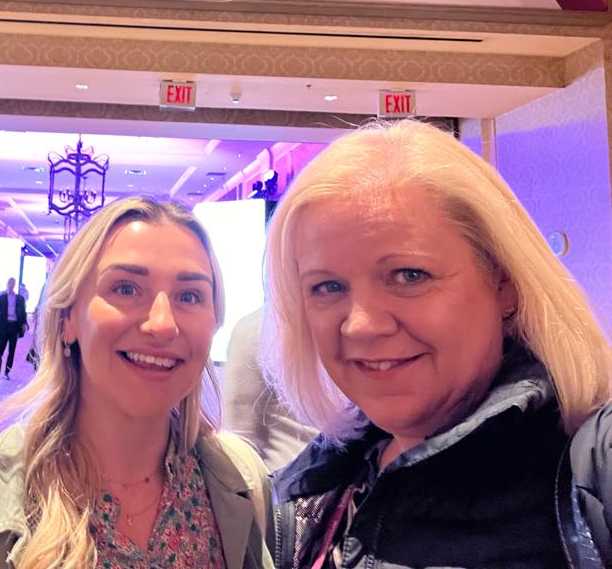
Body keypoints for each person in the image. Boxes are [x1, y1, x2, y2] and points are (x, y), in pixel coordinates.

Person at [262, 120, 612, 568]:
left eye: (410, 275)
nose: (362, 326)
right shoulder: (314, 491)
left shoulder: (589, 472)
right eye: (328, 286)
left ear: (505, 284)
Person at [0, 196, 272, 569]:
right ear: (68, 319)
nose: (162, 323)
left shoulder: (240, 483)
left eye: (189, 295)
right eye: (126, 288)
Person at [222, 308, 315, 471]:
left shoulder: (346, 325)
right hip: (285, 485)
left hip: (357, 487)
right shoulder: (255, 329)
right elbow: (239, 442)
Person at [0, 276, 27, 379]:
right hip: (4, 326)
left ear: (14, 285)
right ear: (7, 284)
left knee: (12, 350)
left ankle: (7, 372)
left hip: (14, 326)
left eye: (13, 284)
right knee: (1, 347)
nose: (11, 285)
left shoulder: (19, 298)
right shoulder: (2, 298)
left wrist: (24, 323)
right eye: (9, 283)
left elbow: (23, 312)